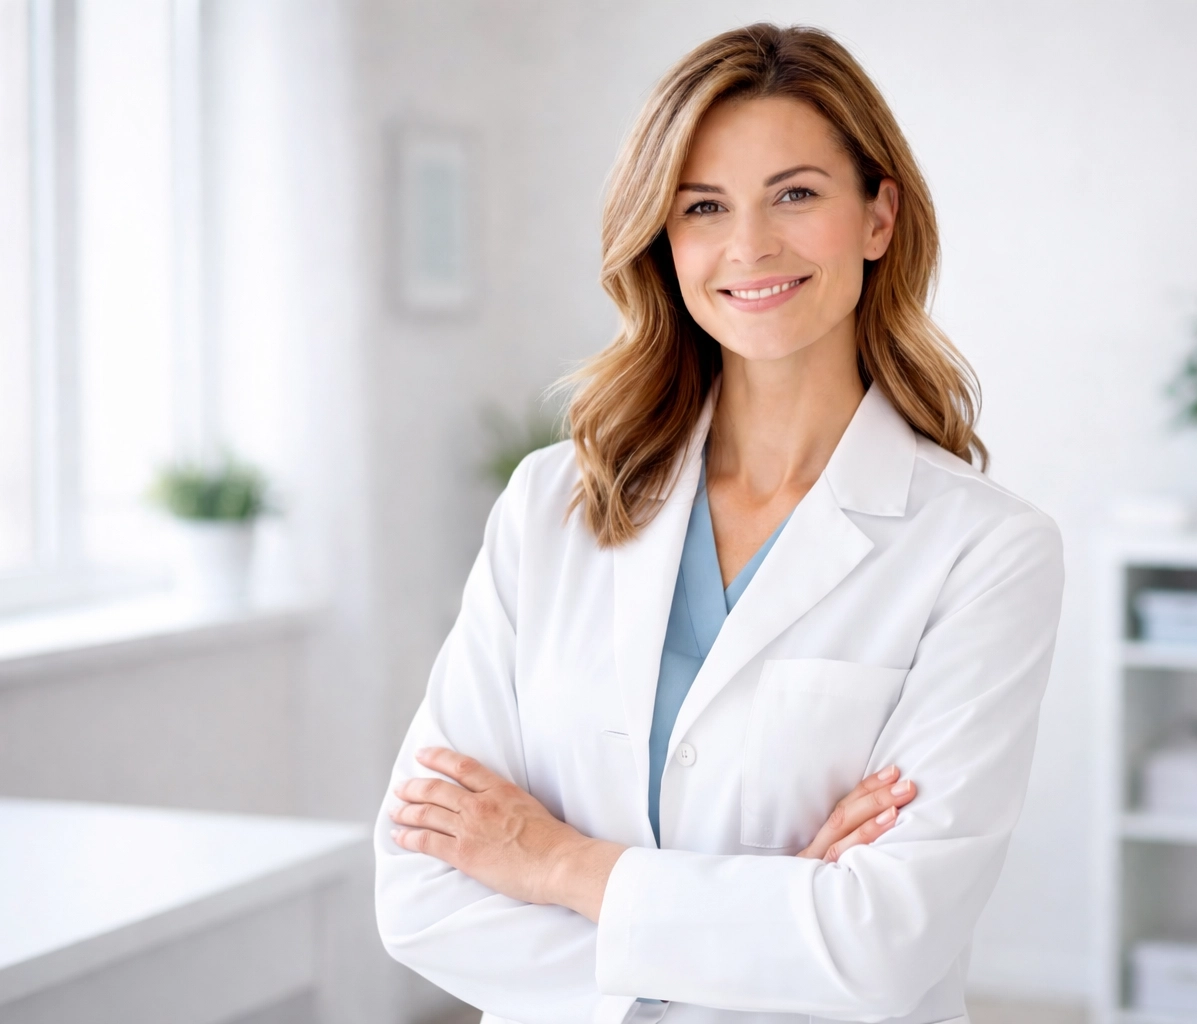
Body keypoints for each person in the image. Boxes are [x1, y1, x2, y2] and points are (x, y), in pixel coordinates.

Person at [374, 22, 1064, 1024]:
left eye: (796, 193)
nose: (750, 246)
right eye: (704, 207)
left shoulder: (985, 551)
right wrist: (771, 923)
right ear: (663, 236)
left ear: (879, 216)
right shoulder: (547, 506)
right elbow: (421, 889)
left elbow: (880, 942)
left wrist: (554, 861)